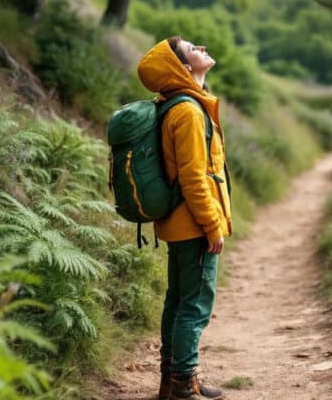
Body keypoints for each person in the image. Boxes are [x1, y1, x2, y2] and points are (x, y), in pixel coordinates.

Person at [136, 36, 232, 400]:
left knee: (177, 302)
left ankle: (172, 379)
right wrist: (212, 224)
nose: (204, 48)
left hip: (177, 223)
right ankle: (182, 385)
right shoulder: (188, 111)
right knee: (193, 305)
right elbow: (194, 179)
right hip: (193, 223)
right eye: (194, 48)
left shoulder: (174, 106)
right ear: (184, 66)